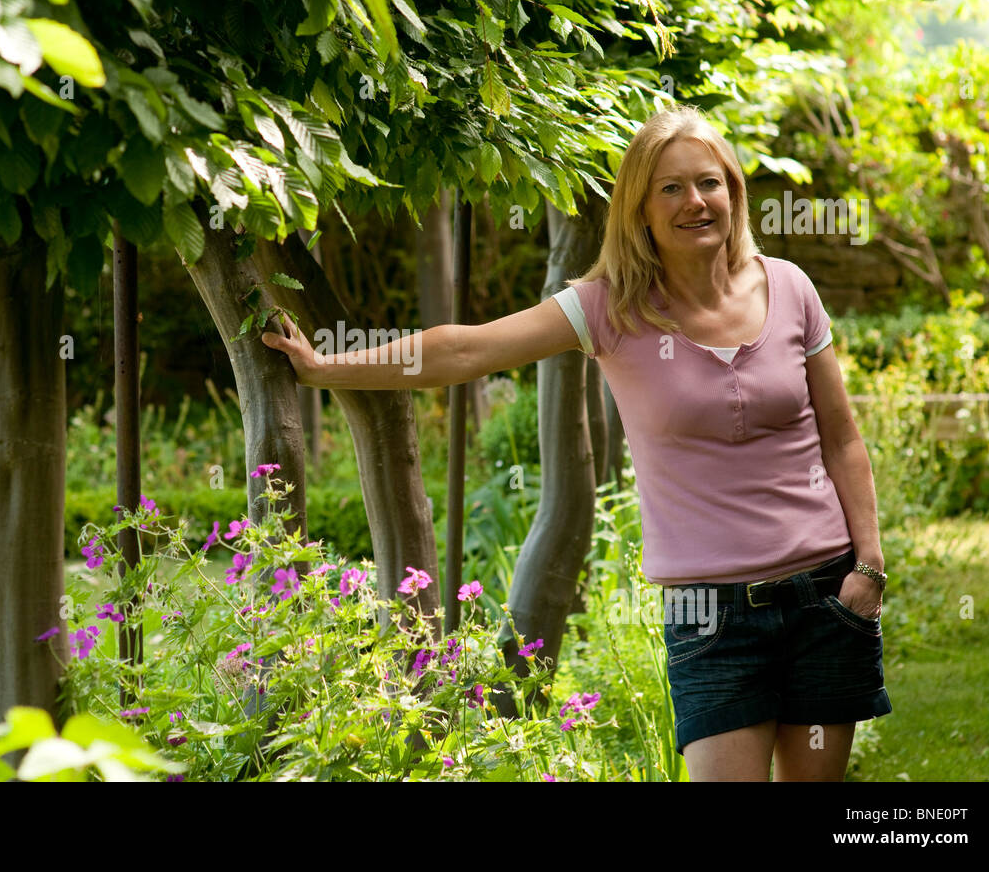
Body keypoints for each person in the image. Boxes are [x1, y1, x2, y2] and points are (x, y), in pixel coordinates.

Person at [260, 104, 891, 781]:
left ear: (733, 192)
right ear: (640, 210)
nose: (694, 202)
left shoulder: (790, 288)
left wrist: (870, 567)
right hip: (710, 618)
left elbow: (841, 434)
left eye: (709, 183)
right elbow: (466, 348)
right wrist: (330, 366)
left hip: (823, 592)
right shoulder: (610, 307)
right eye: (670, 188)